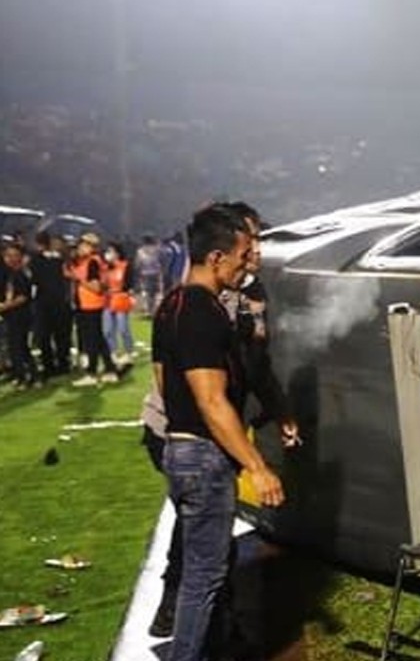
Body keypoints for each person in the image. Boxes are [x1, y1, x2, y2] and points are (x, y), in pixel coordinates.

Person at [144, 201, 299, 643]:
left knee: (202, 570)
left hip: (180, 448)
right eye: (242, 253)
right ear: (216, 257)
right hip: (203, 454)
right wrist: (257, 465)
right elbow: (212, 401)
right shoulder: (202, 310)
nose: (246, 263)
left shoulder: (171, 305)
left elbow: (166, 382)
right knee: (204, 579)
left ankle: (213, 645)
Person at [68, 232, 122, 386]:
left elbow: (96, 287)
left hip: (90, 305)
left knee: (91, 340)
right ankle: (110, 369)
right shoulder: (92, 261)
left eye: (82, 245)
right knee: (98, 339)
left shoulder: (92, 262)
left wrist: (77, 279)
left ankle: (91, 373)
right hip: (89, 304)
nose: (79, 248)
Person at [29, 232, 72, 378]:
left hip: (43, 303)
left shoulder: (35, 260)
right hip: (60, 301)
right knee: (61, 335)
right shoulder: (60, 259)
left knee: (44, 336)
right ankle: (63, 364)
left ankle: (49, 366)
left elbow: (33, 281)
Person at [1, 241, 37, 388]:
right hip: (11, 315)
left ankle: (26, 376)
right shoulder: (11, 273)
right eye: (8, 255)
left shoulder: (22, 274)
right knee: (17, 347)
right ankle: (24, 375)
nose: (10, 258)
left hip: (21, 316)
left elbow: (23, 297)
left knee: (18, 347)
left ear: (21, 257)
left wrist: (5, 306)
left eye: (14, 255)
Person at [102, 241, 136, 366]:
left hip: (121, 299)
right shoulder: (105, 267)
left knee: (123, 328)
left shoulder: (125, 265)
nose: (108, 254)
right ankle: (113, 351)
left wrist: (130, 294)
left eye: (110, 251)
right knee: (108, 330)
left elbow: (129, 283)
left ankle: (129, 350)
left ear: (117, 252)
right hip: (107, 300)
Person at [133, 233, 164, 316]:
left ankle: (148, 310)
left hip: (144, 274)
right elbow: (162, 261)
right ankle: (154, 310)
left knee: (147, 293)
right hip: (157, 273)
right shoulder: (158, 250)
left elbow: (137, 264)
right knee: (155, 293)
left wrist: (137, 273)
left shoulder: (140, 251)